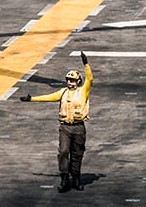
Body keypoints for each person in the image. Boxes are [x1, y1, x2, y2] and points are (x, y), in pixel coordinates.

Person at [20, 51, 93, 192]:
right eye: (67, 80)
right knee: (64, 151)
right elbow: (48, 97)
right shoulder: (63, 92)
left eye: (72, 80)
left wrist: (86, 64)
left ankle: (76, 179)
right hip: (65, 127)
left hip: (78, 128)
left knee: (77, 154)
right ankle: (65, 178)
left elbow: (90, 79)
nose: (69, 82)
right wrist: (31, 99)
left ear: (78, 81)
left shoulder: (83, 91)